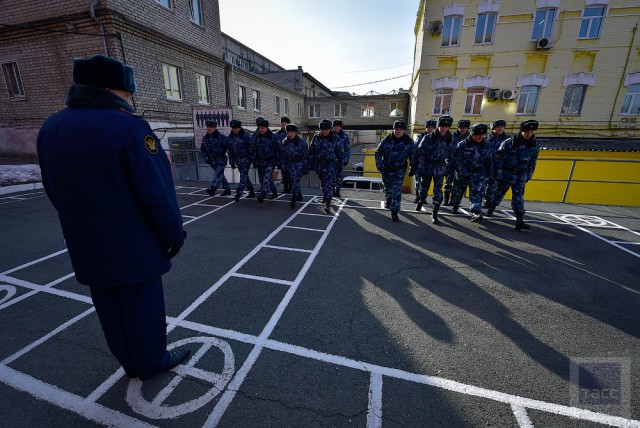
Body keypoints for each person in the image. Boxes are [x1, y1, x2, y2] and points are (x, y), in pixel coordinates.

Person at [36, 55, 189, 380]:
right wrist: (173, 235)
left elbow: (52, 188)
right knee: (142, 307)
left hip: (85, 241)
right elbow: (156, 192)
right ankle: (150, 362)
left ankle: (130, 362)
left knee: (108, 306)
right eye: (127, 92)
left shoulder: (51, 126)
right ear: (111, 88)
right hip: (133, 243)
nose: (130, 99)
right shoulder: (129, 127)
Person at [488, 120, 541, 230]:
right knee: (498, 195)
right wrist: (499, 174)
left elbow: (533, 162)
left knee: (518, 198)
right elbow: (499, 159)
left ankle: (519, 221)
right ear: (521, 131)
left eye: (531, 131)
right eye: (526, 131)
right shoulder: (508, 143)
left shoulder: (535, 144)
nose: (529, 134)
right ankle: (491, 209)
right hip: (506, 174)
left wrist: (528, 175)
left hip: (520, 175)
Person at [375, 120, 415, 222]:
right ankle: (388, 198)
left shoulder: (408, 141)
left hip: (399, 170)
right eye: (396, 129)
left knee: (397, 190)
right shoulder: (386, 139)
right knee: (388, 187)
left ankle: (394, 211)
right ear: (393, 129)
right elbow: (378, 152)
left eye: (400, 129)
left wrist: (413, 168)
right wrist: (380, 165)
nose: (398, 131)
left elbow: (413, 156)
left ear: (404, 130)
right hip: (386, 168)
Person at [450, 123, 492, 221]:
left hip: (478, 173)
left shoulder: (486, 145)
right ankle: (455, 205)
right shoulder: (462, 145)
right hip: (463, 172)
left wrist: (488, 173)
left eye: (482, 135)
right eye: (478, 135)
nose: (480, 137)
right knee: (458, 191)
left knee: (477, 193)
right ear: (472, 134)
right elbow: (457, 160)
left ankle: (475, 212)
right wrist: (462, 172)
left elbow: (489, 160)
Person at [411, 119, 448, 224]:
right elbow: (420, 152)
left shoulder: (450, 138)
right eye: (442, 126)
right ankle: (421, 200)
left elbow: (452, 154)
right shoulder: (427, 138)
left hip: (440, 168)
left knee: (438, 190)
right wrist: (420, 167)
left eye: (446, 127)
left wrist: (448, 168)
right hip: (428, 166)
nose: (444, 129)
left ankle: (435, 213)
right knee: (424, 188)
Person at [309, 119, 344, 214]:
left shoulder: (335, 138)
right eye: (322, 129)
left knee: (329, 183)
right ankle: (325, 195)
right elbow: (311, 151)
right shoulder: (316, 138)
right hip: (319, 165)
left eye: (326, 129)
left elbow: (340, 153)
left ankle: (327, 203)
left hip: (330, 164)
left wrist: (340, 165)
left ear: (330, 129)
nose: (324, 131)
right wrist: (311, 164)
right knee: (323, 183)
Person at [251, 118, 281, 203]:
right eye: (259, 127)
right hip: (260, 161)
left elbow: (279, 150)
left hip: (270, 161)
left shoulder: (273, 137)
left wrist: (278, 162)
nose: (260, 129)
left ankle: (262, 195)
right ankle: (274, 192)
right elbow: (253, 149)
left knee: (266, 178)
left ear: (267, 128)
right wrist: (254, 161)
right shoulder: (256, 136)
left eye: (262, 128)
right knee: (263, 179)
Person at [280, 123, 309, 208]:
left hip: (298, 165)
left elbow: (305, 156)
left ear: (295, 132)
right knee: (292, 181)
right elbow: (282, 156)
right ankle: (299, 195)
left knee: (296, 181)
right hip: (289, 165)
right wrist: (283, 166)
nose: (290, 134)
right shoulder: (284, 142)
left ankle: (293, 199)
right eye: (288, 132)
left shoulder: (302, 143)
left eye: (292, 132)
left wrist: (306, 167)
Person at [201, 120, 232, 197]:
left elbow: (229, 148)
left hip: (221, 159)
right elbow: (203, 150)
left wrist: (232, 159)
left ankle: (213, 189)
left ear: (215, 127)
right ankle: (227, 189)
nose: (208, 128)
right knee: (220, 175)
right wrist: (206, 158)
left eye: (210, 127)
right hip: (212, 160)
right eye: (207, 127)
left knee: (218, 174)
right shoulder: (205, 138)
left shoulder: (222, 137)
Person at [227, 119, 256, 202]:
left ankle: (239, 193)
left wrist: (253, 160)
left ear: (239, 128)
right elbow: (230, 150)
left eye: (236, 128)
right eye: (232, 128)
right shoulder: (230, 136)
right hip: (237, 160)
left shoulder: (246, 136)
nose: (234, 129)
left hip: (246, 159)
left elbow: (252, 149)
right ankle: (251, 191)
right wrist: (231, 162)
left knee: (243, 176)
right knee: (245, 177)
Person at [483, 119, 509, 209]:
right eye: (498, 127)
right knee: (482, 184)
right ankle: (480, 200)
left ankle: (488, 201)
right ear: (493, 128)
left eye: (502, 127)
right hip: (486, 165)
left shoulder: (507, 140)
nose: (500, 129)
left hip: (499, 166)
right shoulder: (486, 138)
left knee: (494, 185)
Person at [443, 118, 469, 205]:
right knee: (448, 183)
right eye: (461, 128)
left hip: (462, 165)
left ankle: (453, 200)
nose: (463, 129)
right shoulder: (451, 136)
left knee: (458, 184)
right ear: (458, 128)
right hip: (451, 163)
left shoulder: (469, 138)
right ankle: (446, 198)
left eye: (465, 128)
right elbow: (446, 149)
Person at [412, 119, 437, 203]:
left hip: (429, 164)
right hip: (420, 163)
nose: (430, 129)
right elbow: (415, 150)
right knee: (418, 181)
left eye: (432, 127)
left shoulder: (436, 138)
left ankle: (423, 197)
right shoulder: (420, 137)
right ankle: (417, 196)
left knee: (425, 182)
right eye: (428, 127)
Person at [332, 119, 351, 198]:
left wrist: (346, 159)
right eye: (335, 126)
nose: (336, 127)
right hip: (331, 159)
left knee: (339, 176)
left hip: (340, 159)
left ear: (340, 127)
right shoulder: (330, 134)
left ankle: (338, 191)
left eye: (338, 126)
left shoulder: (345, 136)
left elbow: (347, 149)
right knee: (331, 176)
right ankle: (331, 191)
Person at [276, 117, 292, 194]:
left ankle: (291, 188)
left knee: (291, 174)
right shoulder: (278, 133)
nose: (283, 123)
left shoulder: (291, 132)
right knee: (284, 174)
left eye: (285, 122)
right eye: (282, 122)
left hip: (291, 158)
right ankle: (285, 188)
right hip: (282, 158)